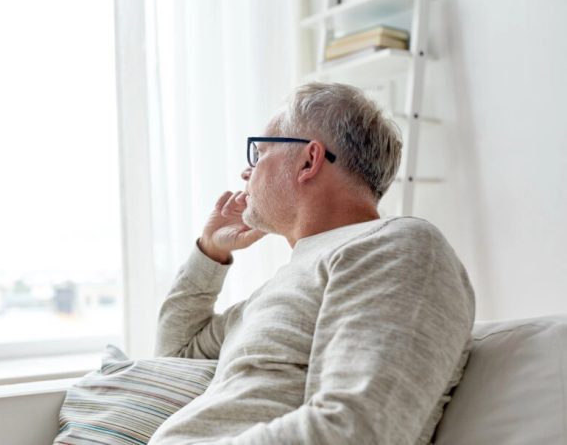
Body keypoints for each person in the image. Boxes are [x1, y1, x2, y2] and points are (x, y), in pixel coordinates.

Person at [149, 82, 475, 445]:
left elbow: (357, 429)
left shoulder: (395, 246)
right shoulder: (283, 286)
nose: (246, 172)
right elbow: (174, 356)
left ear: (309, 160)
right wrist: (209, 252)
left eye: (259, 152)